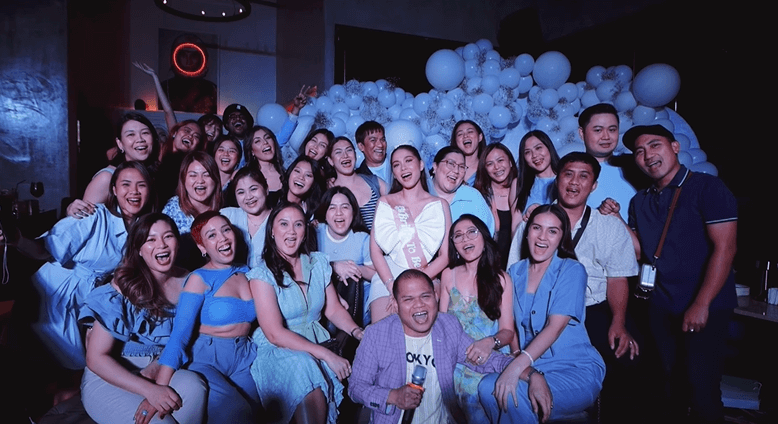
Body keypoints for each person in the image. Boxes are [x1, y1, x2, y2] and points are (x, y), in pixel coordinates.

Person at [507, 152, 641, 423]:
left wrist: (618, 321)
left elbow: (617, 278)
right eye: (568, 174)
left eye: (583, 176)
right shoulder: (534, 222)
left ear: (594, 185)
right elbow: (514, 277)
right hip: (541, 310)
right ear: (557, 179)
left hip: (594, 308)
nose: (574, 182)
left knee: (625, 356)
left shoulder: (608, 225)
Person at [624, 124, 737, 423]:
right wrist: (615, 220)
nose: (647, 155)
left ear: (675, 147)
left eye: (655, 145)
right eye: (639, 151)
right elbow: (642, 252)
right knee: (668, 386)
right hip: (661, 306)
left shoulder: (707, 187)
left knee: (702, 389)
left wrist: (701, 304)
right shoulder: (640, 200)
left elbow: (725, 248)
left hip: (704, 306)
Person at [15, 161, 155, 369]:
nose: (134, 191)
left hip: (86, 301)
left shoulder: (140, 228)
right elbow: (45, 249)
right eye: (126, 184)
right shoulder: (93, 215)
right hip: (51, 295)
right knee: (78, 367)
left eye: (141, 185)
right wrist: (17, 240)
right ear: (114, 190)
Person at [479, 205, 605, 423]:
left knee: (513, 395)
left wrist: (516, 368)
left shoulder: (572, 270)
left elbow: (555, 327)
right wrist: (521, 362)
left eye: (552, 231)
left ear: (561, 237)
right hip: (532, 366)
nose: (542, 237)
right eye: (537, 228)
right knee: (486, 387)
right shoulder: (514, 272)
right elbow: (511, 325)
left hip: (574, 368)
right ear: (527, 232)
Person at [80, 213, 206, 424]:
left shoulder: (189, 281)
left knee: (195, 386)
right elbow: (96, 358)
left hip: (162, 367)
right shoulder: (123, 286)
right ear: (139, 249)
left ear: (177, 242)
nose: (161, 245)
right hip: (111, 375)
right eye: (151, 239)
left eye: (168, 236)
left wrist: (157, 371)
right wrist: (150, 390)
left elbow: (188, 338)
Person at [247, 203, 364, 424]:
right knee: (303, 365)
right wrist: (326, 355)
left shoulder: (318, 262)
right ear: (272, 231)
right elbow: (274, 334)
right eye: (284, 224)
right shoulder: (262, 274)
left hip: (317, 341)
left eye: (298, 225)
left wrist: (357, 331)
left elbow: (333, 309)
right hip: (278, 350)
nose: (291, 231)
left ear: (305, 232)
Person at [349, 269, 513, 424]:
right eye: (408, 299)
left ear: (435, 296)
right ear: (395, 304)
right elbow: (356, 388)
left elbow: (487, 359)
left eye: (425, 296)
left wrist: (522, 369)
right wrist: (393, 396)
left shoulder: (447, 326)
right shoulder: (377, 334)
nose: (419, 304)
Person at [157, 211, 261, 423]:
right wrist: (158, 390)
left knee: (263, 413)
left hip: (243, 356)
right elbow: (179, 335)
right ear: (202, 247)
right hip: (206, 360)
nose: (222, 238)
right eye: (212, 235)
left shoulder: (247, 272)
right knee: (238, 413)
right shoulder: (199, 278)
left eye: (226, 230)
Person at [440, 215, 516, 423]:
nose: (465, 239)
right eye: (458, 236)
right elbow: (442, 326)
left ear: (484, 237)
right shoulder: (448, 275)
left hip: (486, 359)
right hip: (454, 359)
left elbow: (508, 331)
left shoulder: (501, 279)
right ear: (454, 245)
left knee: (477, 393)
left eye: (472, 232)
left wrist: (489, 342)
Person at [369, 145, 451, 323]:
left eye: (408, 161)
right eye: (396, 165)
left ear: (421, 165)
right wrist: (392, 286)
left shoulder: (440, 205)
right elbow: (375, 251)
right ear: (394, 173)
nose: (403, 168)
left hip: (426, 274)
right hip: (388, 276)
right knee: (383, 332)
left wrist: (416, 282)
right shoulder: (385, 202)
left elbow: (445, 256)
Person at [67, 113, 159, 218]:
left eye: (145, 133)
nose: (140, 139)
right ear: (120, 143)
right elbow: (82, 220)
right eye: (131, 134)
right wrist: (71, 210)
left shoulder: (155, 174)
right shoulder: (107, 177)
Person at [315, 186, 376, 327]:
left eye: (345, 207)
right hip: (323, 300)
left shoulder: (362, 239)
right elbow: (305, 266)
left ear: (353, 212)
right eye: (332, 208)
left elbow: (376, 274)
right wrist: (334, 266)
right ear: (324, 213)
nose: (339, 213)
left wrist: (352, 269)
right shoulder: (315, 233)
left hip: (357, 300)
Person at [578, 103, 648, 221]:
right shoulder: (571, 170)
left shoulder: (635, 164)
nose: (606, 137)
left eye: (612, 130)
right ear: (582, 133)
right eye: (598, 130)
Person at [474, 143, 522, 268]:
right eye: (490, 164)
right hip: (488, 266)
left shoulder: (524, 190)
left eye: (500, 160)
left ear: (510, 162)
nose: (496, 167)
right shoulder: (479, 196)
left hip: (519, 263)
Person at [428, 146, 495, 235]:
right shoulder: (418, 192)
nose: (456, 171)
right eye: (451, 163)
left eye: (461, 167)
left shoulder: (472, 197)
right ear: (435, 166)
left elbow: (486, 235)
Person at [327, 135, 386, 231]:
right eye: (338, 152)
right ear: (330, 161)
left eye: (349, 150)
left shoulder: (374, 182)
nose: (345, 155)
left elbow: (399, 204)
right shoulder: (330, 191)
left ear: (355, 154)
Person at [220, 167, 271, 269]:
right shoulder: (228, 216)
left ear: (266, 189)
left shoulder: (279, 220)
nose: (248, 197)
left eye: (253, 189)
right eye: (241, 192)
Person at [162, 151, 222, 235]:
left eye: (206, 175)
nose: (200, 181)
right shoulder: (172, 209)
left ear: (216, 179)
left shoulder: (226, 210)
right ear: (183, 180)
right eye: (193, 175)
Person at [514, 130, 559, 220]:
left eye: (538, 148)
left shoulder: (566, 179)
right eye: (527, 152)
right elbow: (515, 225)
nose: (534, 155)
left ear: (549, 147)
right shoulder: (519, 184)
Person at [157, 120, 205, 203]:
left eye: (196, 136)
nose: (190, 136)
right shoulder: (157, 150)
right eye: (187, 131)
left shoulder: (190, 168)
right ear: (175, 133)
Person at [245, 125, 285, 202]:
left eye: (268, 137)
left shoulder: (287, 173)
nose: (265, 142)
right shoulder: (246, 177)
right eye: (257, 141)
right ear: (252, 151)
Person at [281, 155, 323, 219]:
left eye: (308, 175)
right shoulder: (272, 201)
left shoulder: (312, 214)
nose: (301, 177)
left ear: (313, 184)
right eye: (297, 171)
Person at [450, 120, 486, 186]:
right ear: (456, 141)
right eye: (460, 134)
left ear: (480, 137)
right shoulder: (447, 167)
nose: (465, 136)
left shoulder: (488, 169)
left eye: (470, 132)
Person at [355, 121, 391, 185]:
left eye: (382, 139)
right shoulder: (357, 178)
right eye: (373, 140)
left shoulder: (397, 163)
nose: (380, 145)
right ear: (361, 146)